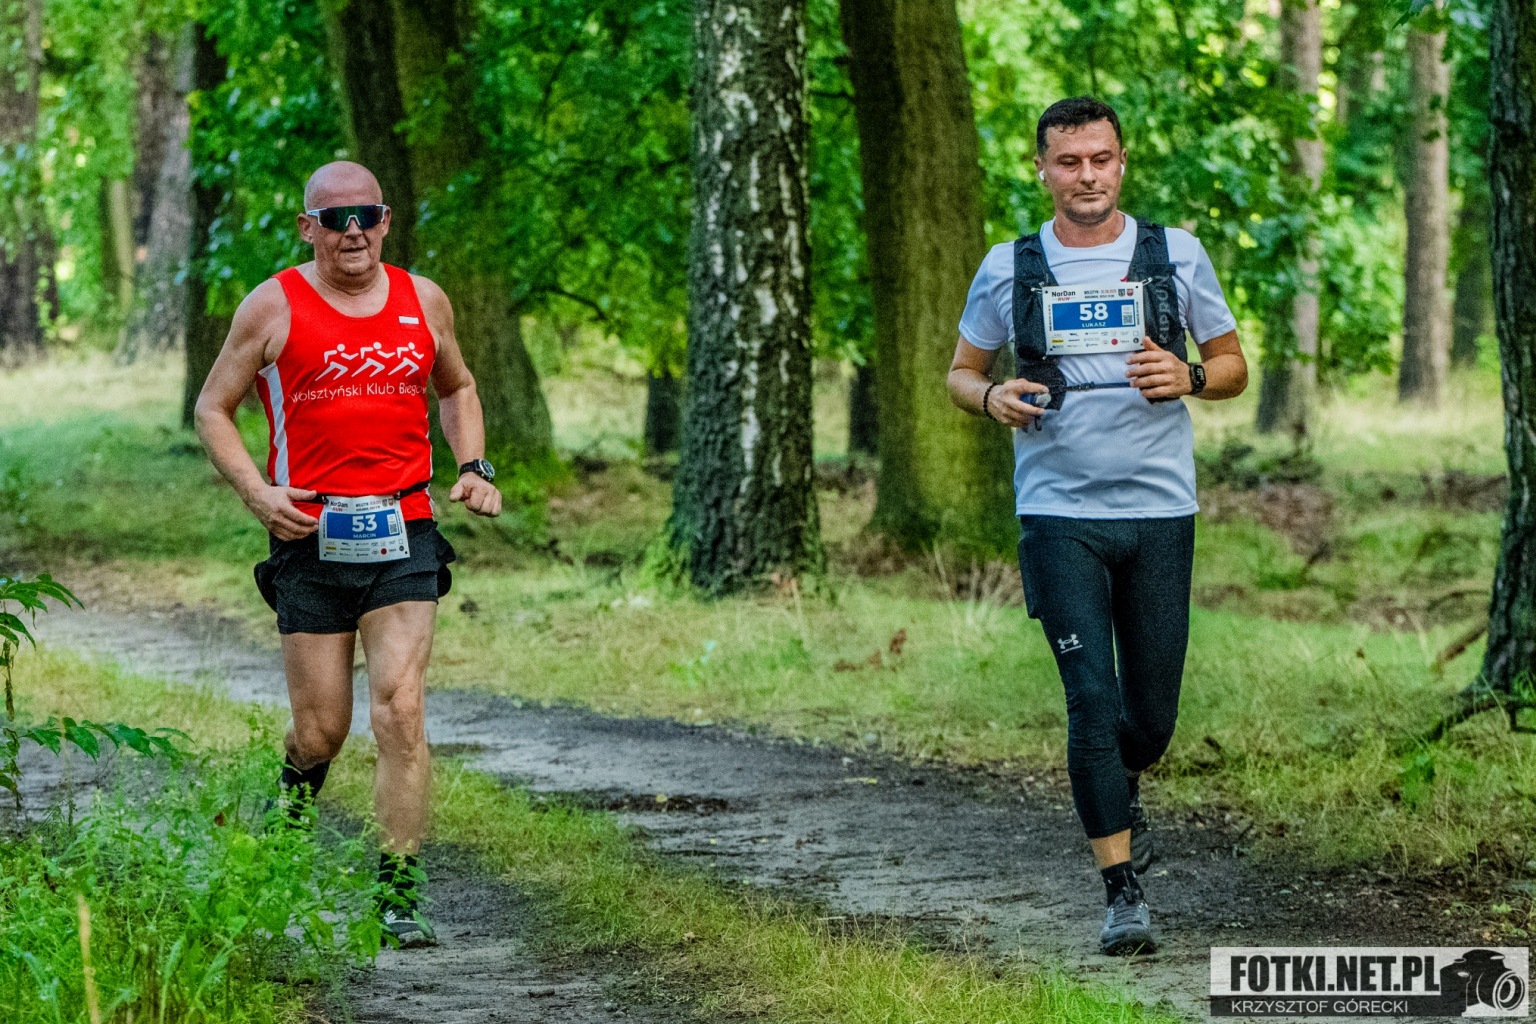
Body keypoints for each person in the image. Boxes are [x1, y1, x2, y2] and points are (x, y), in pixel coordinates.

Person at [946, 97, 1249, 956]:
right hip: (1058, 514)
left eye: (1101, 159)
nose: (1087, 176)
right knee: (1090, 702)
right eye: (1069, 161)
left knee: (1148, 722)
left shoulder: (1174, 254)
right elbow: (961, 372)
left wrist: (1190, 377)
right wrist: (992, 397)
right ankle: (1122, 895)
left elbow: (1233, 364)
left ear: (1122, 162)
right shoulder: (1009, 266)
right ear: (1041, 169)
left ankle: (1121, 785)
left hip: (1159, 513)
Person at [195, 161, 503, 948]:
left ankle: (397, 897)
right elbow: (212, 408)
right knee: (320, 731)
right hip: (309, 535)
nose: (354, 230)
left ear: (387, 220)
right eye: (336, 219)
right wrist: (258, 493)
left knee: (401, 710)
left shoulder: (423, 299)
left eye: (367, 215)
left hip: (404, 528)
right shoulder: (273, 305)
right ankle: (289, 825)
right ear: (309, 228)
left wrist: (473, 466)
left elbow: (458, 387)